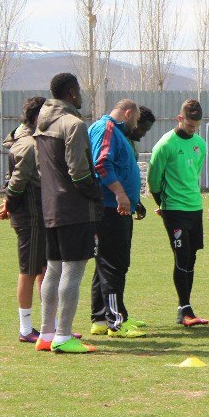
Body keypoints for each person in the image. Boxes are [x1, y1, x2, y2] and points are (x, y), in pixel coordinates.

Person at [32, 73, 100, 353]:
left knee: (53, 270)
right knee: (72, 271)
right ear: (72, 92)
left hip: (50, 206)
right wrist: (96, 194)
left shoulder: (41, 124)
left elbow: (39, 168)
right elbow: (79, 171)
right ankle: (63, 336)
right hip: (74, 209)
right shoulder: (74, 124)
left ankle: (46, 334)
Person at [88, 99, 147, 339]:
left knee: (105, 264)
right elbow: (101, 163)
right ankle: (116, 321)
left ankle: (101, 318)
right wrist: (121, 194)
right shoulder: (108, 129)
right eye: (136, 118)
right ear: (128, 112)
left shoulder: (111, 130)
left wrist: (134, 200)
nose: (136, 124)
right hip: (112, 208)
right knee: (114, 264)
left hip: (118, 207)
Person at [148, 99, 209, 327]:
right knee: (181, 257)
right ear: (179, 118)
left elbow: (193, 174)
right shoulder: (165, 145)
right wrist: (163, 204)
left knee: (191, 258)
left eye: (196, 125)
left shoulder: (200, 145)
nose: (193, 128)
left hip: (195, 207)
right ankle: (184, 309)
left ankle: (186, 307)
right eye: (189, 124)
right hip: (174, 209)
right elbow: (154, 180)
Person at [0, 96, 47, 343]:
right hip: (31, 215)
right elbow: (17, 182)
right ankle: (26, 329)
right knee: (29, 270)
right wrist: (10, 203)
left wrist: (9, 204)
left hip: (37, 212)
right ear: (38, 117)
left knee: (43, 269)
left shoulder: (27, 139)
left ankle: (50, 325)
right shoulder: (28, 144)